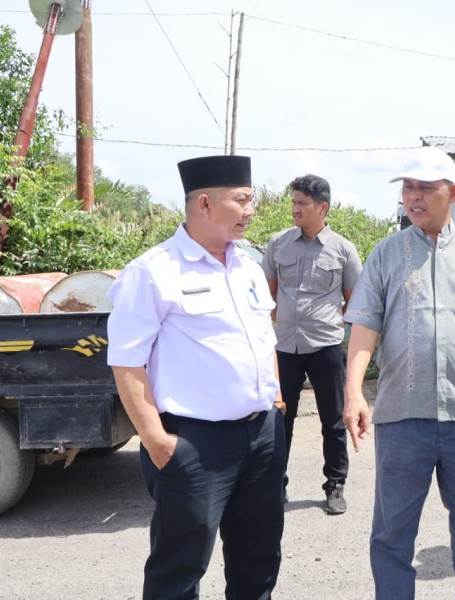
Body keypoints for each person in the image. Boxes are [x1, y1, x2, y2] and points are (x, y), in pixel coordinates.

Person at [343, 146, 455, 599]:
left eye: (425, 187)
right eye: (408, 188)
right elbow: (364, 328)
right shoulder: (387, 254)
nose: (414, 197)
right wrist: (354, 392)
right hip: (403, 418)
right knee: (392, 535)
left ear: (452, 193)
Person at [107, 155, 286, 600]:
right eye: (241, 200)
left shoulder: (248, 266)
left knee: (259, 558)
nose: (250, 210)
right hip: (195, 443)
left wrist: (277, 402)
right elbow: (127, 363)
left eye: (251, 200)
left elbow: (264, 337)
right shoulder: (153, 271)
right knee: (179, 568)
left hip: (261, 435)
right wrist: (157, 441)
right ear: (204, 203)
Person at [261, 174, 362, 513]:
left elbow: (354, 300)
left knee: (333, 420)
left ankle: (335, 485)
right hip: (284, 347)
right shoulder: (277, 244)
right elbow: (268, 295)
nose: (295, 209)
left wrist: (326, 320)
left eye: (302, 203)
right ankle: (276, 485)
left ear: (323, 207)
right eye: (293, 202)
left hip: (326, 346)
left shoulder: (343, 250)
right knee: (279, 420)